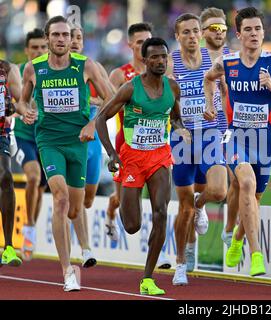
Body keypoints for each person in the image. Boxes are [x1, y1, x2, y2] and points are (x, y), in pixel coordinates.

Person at [204, 7, 271, 276]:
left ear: (263, 32)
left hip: (264, 140)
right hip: (235, 137)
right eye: (248, 29)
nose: (254, 33)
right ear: (238, 34)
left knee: (254, 198)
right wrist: (209, 104)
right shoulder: (227, 63)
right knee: (245, 183)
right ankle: (257, 255)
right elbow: (208, 78)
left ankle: (238, 238)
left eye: (258, 29)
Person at [16, 16, 113, 291]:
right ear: (47, 39)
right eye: (56, 35)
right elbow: (22, 102)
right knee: (60, 198)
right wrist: (27, 112)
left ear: (72, 39)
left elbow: (111, 99)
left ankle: (82, 246)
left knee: (74, 207)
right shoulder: (33, 69)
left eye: (65, 35)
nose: (61, 39)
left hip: (78, 142)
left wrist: (92, 123)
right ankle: (67, 271)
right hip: (49, 141)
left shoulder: (86, 66)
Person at [96, 37, 190, 296]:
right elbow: (101, 118)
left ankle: (147, 278)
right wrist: (112, 153)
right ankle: (121, 212)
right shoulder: (130, 89)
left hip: (159, 157)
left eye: (164, 57)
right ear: (145, 60)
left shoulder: (172, 87)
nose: (161, 61)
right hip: (132, 159)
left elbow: (175, 115)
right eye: (155, 57)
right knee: (132, 225)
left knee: (160, 212)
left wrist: (181, 129)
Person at [167, 13, 227, 285]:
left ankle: (201, 205)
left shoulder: (214, 58)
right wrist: (176, 125)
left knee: (217, 190)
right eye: (186, 32)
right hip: (182, 138)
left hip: (210, 134)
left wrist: (218, 110)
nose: (192, 36)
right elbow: (166, 98)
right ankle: (181, 261)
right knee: (183, 208)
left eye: (195, 31)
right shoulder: (171, 62)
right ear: (177, 36)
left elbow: (226, 90)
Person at [107, 22, 171, 269]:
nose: (144, 43)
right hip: (126, 146)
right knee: (125, 207)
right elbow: (107, 104)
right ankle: (113, 215)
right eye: (139, 41)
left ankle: (157, 255)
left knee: (159, 208)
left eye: (149, 39)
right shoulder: (120, 76)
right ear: (132, 45)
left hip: (156, 151)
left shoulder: (163, 73)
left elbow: (170, 105)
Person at [70, 25, 115, 268]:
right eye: (70, 37)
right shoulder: (54, 71)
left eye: (79, 37)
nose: (75, 41)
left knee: (87, 199)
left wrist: (92, 106)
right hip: (67, 140)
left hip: (93, 141)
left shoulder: (92, 68)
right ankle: (85, 248)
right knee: (74, 199)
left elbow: (114, 98)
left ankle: (75, 218)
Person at [199, 7, 238, 249]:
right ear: (203, 32)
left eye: (223, 28)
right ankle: (198, 204)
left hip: (231, 129)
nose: (219, 32)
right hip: (202, 130)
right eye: (214, 28)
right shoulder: (192, 59)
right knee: (213, 190)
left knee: (238, 180)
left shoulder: (234, 58)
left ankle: (228, 229)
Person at [13, 28, 48, 261]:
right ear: (27, 50)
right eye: (34, 47)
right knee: (33, 177)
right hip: (23, 136)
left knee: (42, 186)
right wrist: (25, 111)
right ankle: (27, 229)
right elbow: (18, 100)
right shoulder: (21, 72)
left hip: (47, 138)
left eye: (42, 47)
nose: (38, 51)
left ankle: (31, 226)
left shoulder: (54, 71)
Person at [0, 59, 23, 266]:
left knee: (5, 176)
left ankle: (8, 246)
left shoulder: (6, 69)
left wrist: (15, 111)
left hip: (1, 132)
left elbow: (23, 102)